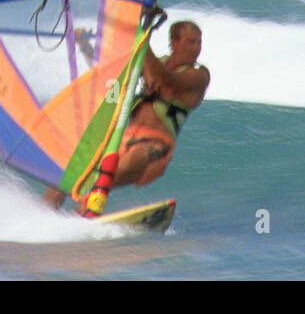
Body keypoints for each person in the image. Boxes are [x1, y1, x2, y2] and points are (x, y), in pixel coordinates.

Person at [43, 20, 209, 209]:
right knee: (69, 171)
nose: (197, 48)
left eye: (199, 42)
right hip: (125, 138)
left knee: (105, 177)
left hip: (155, 145)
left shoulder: (199, 76)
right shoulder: (156, 64)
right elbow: (110, 72)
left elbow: (167, 81)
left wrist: (141, 37)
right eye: (191, 42)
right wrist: (83, 44)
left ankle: (82, 218)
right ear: (174, 42)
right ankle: (44, 216)